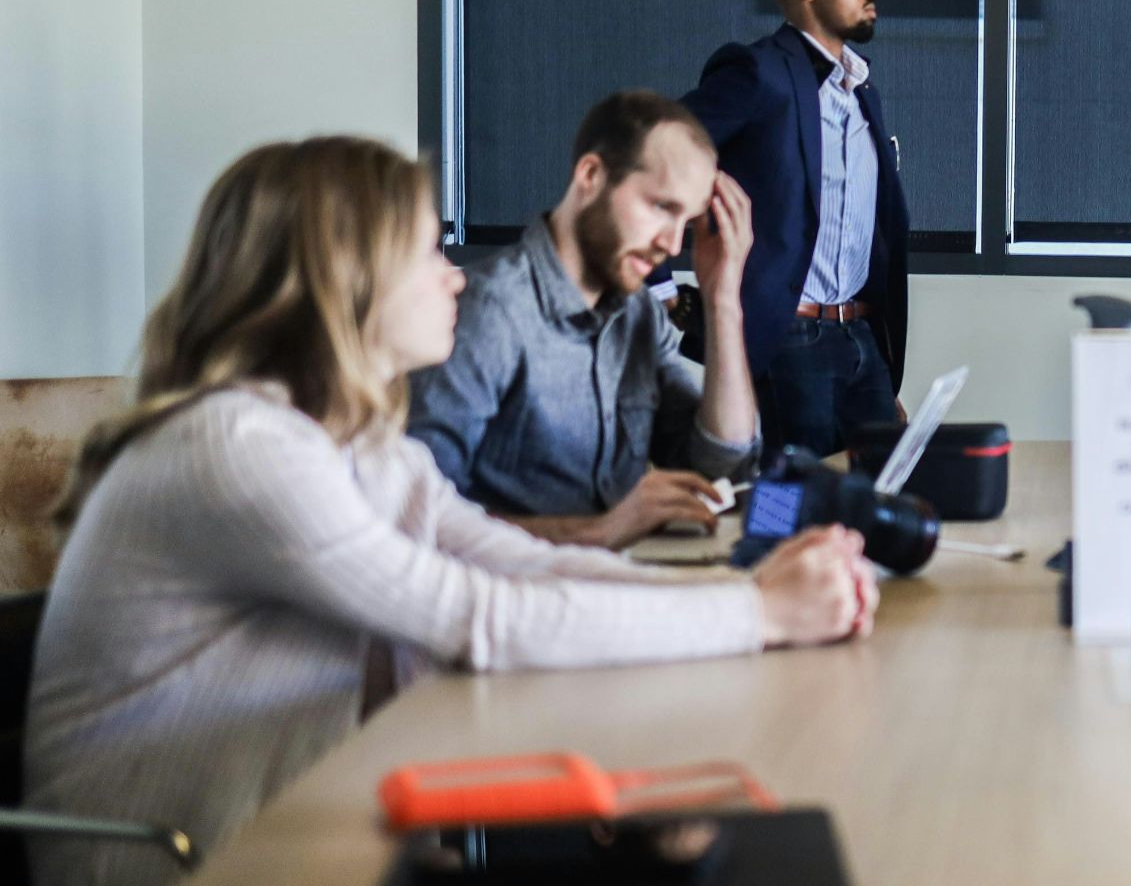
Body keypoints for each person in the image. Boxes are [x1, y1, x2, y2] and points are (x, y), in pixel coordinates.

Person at [24, 137, 877, 886]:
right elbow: (476, 618)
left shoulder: (360, 445)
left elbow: (520, 564)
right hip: (190, 860)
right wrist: (755, 612)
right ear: (344, 275)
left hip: (304, 822)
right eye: (428, 251)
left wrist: (750, 599)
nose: (455, 274)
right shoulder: (239, 447)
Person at [408, 90, 756, 547]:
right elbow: (417, 518)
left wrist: (723, 299)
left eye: (687, 224)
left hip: (609, 583)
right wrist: (596, 533)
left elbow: (722, 465)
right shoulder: (489, 312)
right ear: (591, 175)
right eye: (660, 208)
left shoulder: (640, 316)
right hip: (512, 598)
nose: (672, 246)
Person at [681, 0, 909, 460]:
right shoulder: (758, 73)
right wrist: (665, 289)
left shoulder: (861, 92)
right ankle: (755, 550)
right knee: (789, 502)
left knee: (881, 493)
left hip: (859, 336)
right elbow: (655, 150)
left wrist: (872, 349)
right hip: (790, 338)